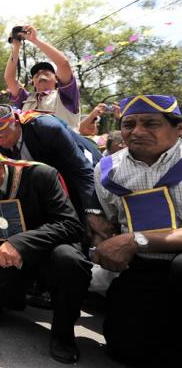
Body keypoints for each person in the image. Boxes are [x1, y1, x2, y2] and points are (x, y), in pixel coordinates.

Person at [0, 142, 90, 363]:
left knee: (70, 261)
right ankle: (18, 292)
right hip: (5, 258)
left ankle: (63, 333)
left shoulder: (40, 174)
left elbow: (70, 225)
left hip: (49, 251)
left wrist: (20, 243)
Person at [92, 94, 182, 365]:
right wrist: (101, 243)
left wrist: (135, 240)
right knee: (124, 347)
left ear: (178, 128)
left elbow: (128, 238)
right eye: (129, 124)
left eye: (151, 123)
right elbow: (108, 224)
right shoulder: (107, 170)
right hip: (142, 266)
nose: (138, 131)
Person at [5, 25, 81, 130]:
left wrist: (35, 40)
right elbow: (9, 78)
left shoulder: (66, 95)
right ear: (33, 83)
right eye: (36, 75)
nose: (41, 74)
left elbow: (63, 64)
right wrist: (16, 45)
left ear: (56, 80)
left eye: (47, 72)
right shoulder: (25, 100)